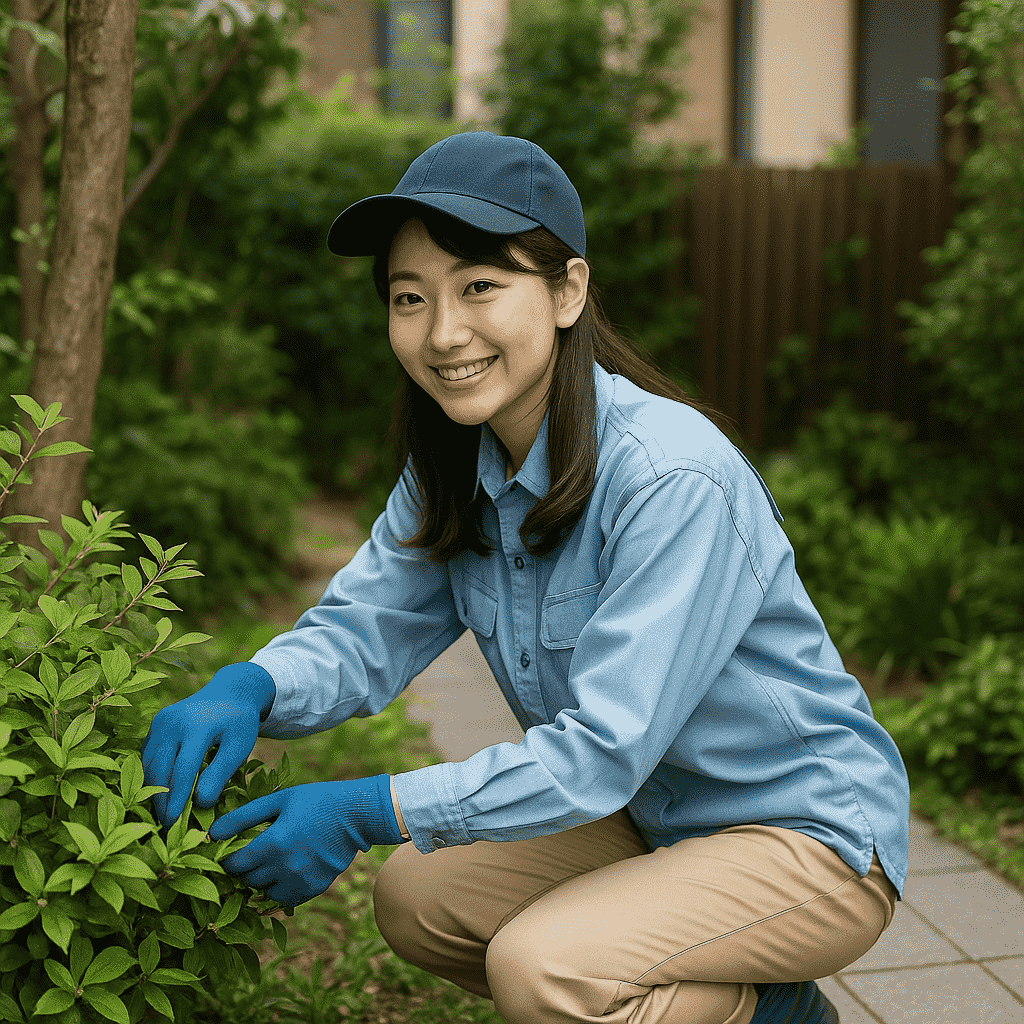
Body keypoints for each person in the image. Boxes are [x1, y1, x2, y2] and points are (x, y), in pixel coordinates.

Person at [141, 131, 909, 1024]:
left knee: (544, 968)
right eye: (408, 297)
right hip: (654, 816)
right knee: (420, 899)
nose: (442, 333)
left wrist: (363, 805)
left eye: (479, 287)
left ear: (567, 291)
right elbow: (366, 630)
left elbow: (601, 752)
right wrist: (252, 685)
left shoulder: (670, 477)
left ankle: (767, 1010)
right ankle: (769, 1002)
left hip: (807, 840)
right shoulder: (456, 470)